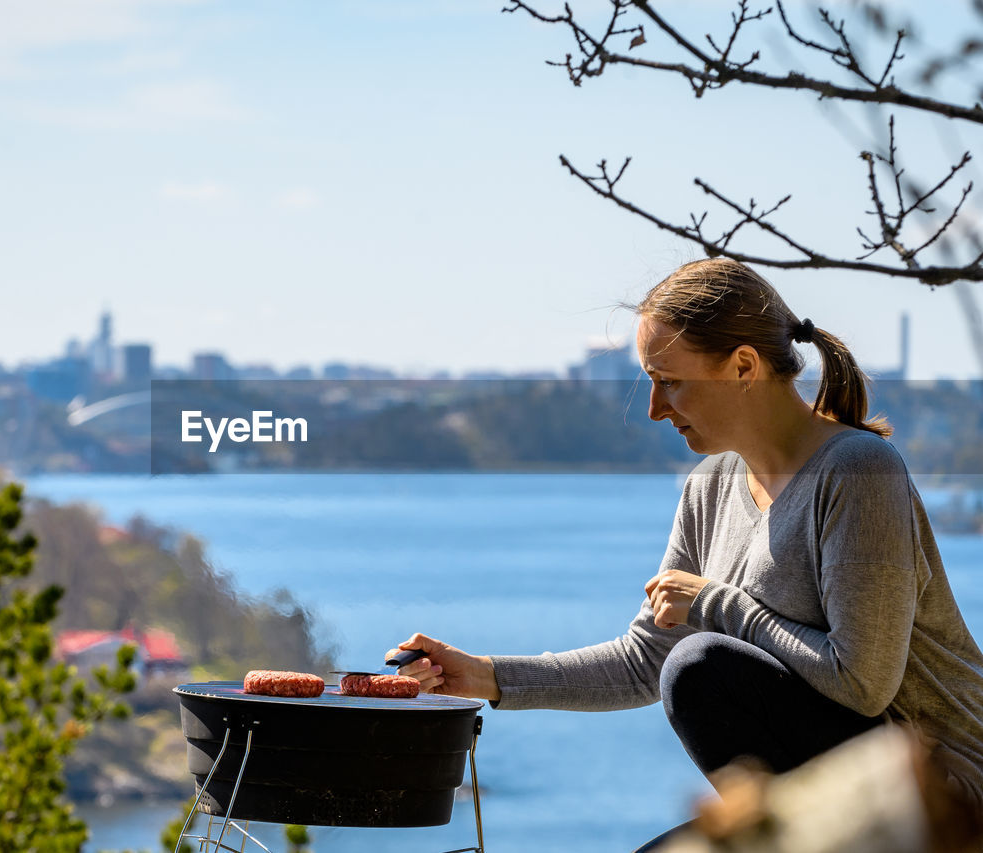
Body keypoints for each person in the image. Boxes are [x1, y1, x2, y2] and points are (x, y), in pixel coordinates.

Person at [390, 258, 983, 846]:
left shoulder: (858, 471)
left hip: (943, 794)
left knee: (702, 669)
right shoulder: (711, 485)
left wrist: (717, 604)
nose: (654, 407)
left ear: (744, 366)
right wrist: (486, 676)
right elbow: (644, 661)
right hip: (845, 779)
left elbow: (862, 683)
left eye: (670, 381)